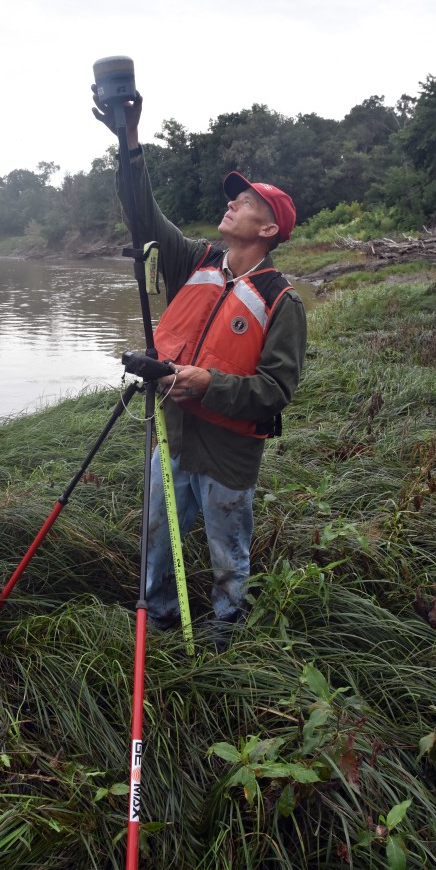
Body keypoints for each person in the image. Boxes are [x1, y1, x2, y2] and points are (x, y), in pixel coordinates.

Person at [92, 88, 307, 644]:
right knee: (158, 533)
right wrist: (129, 143)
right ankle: (159, 616)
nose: (232, 203)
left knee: (227, 551)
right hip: (175, 434)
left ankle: (226, 633)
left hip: (229, 452)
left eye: (246, 202)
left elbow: (276, 391)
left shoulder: (283, 301)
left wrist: (208, 385)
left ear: (268, 230)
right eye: (233, 198)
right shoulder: (194, 261)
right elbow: (144, 217)